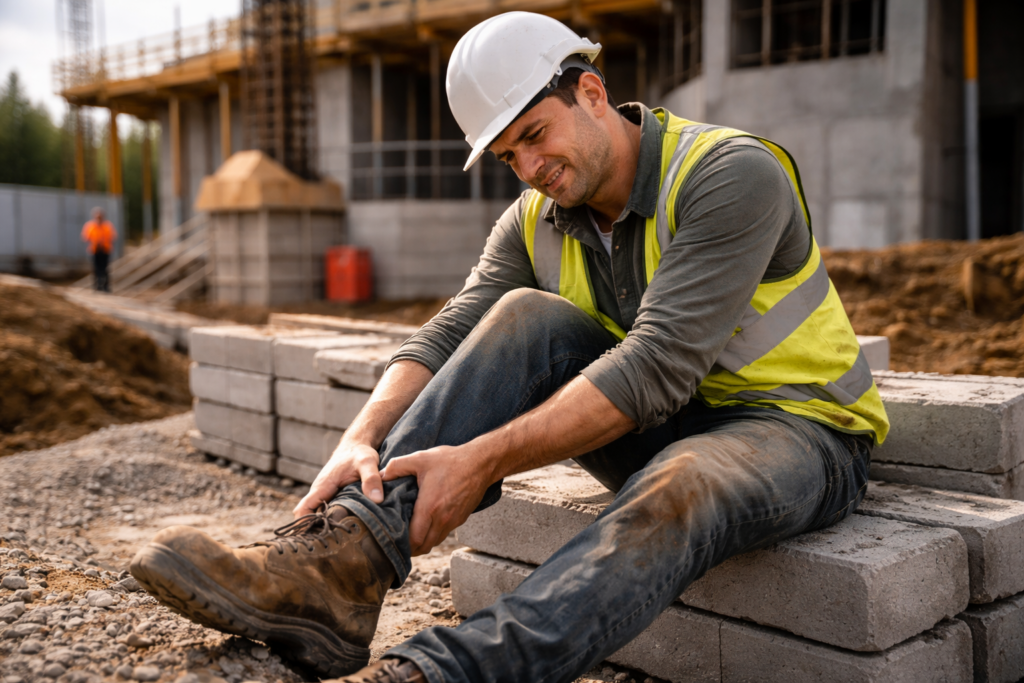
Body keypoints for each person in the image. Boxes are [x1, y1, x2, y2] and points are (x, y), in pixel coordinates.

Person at [130, 12, 889, 683]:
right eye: (507, 156)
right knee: (525, 314)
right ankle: (340, 572)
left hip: (800, 433)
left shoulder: (729, 174)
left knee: (685, 477)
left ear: (591, 93)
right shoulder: (537, 216)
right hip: (673, 422)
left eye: (534, 135)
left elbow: (656, 365)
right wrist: (359, 437)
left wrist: (482, 459)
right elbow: (450, 329)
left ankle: (448, 671)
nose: (529, 169)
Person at [81, 207, 116, 292]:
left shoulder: (107, 226)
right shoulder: (90, 226)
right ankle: (97, 286)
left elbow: (112, 236)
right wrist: (95, 241)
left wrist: (103, 241)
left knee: (105, 269)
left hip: (105, 250)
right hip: (95, 250)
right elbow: (85, 237)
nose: (99, 218)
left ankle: (106, 286)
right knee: (95, 269)